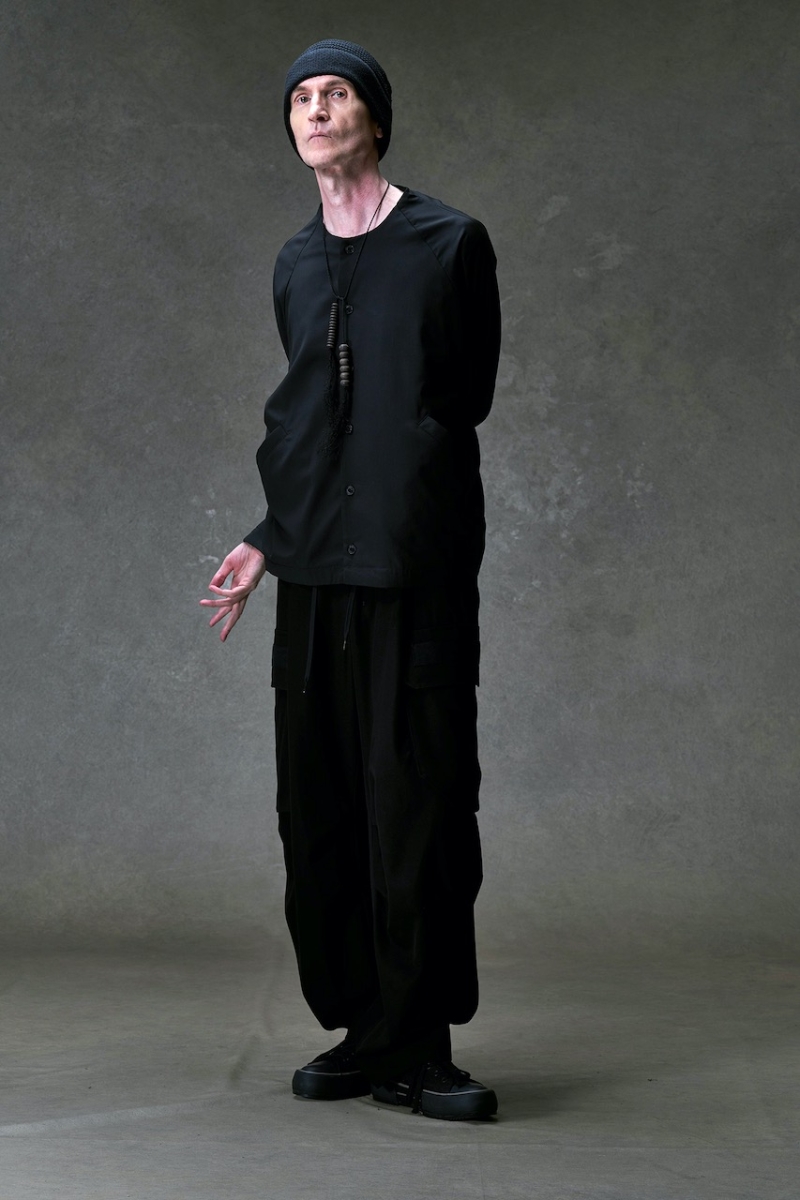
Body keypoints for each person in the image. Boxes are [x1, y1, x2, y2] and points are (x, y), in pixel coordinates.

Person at [201, 39, 501, 1121]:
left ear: (374, 117)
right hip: (314, 575)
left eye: (336, 95)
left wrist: (403, 509)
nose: (316, 110)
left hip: (413, 573)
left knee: (417, 808)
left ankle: (421, 1046)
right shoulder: (293, 261)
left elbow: (455, 404)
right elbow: (306, 419)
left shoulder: (447, 243)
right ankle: (364, 1031)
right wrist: (268, 536)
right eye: (300, 99)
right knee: (318, 810)